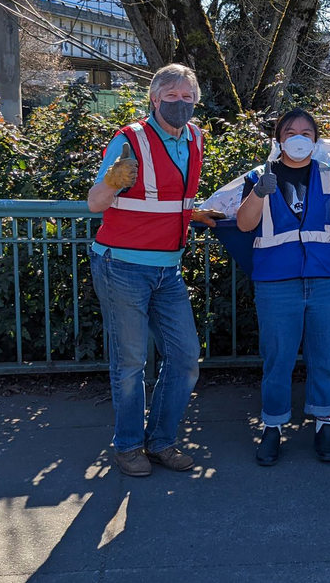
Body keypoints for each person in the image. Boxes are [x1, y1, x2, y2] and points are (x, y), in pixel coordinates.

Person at [87, 63, 216, 477]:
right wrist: (112, 181)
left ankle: (160, 441)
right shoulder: (130, 139)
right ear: (154, 98)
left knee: (185, 358)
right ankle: (128, 447)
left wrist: (195, 214)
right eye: (172, 96)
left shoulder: (194, 138)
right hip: (122, 265)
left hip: (167, 269)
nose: (180, 104)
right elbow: (95, 203)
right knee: (130, 363)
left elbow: (169, 199)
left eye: (188, 98)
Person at [235, 108, 330, 465]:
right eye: (291, 131)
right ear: (278, 139)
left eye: (306, 132)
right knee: (277, 361)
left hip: (323, 280)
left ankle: (325, 423)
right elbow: (246, 224)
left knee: (324, 358)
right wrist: (259, 193)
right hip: (277, 285)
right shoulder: (258, 176)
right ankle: (273, 427)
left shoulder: (328, 177)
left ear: (315, 139)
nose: (298, 137)